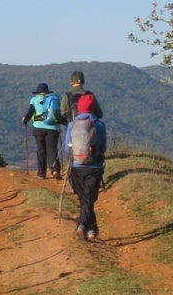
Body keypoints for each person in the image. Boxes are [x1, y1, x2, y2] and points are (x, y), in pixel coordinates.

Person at [64, 93, 106, 241]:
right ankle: (87, 227)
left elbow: (66, 148)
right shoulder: (100, 125)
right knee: (88, 199)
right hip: (95, 167)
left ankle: (87, 227)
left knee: (85, 199)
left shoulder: (72, 125)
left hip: (76, 166)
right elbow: (103, 147)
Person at [22, 83, 62, 180]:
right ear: (47, 91)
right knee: (52, 149)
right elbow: (58, 113)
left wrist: (25, 119)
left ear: (38, 92)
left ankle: (41, 174)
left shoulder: (34, 99)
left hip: (38, 128)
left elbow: (30, 112)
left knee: (41, 149)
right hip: (53, 128)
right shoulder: (53, 100)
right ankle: (55, 169)